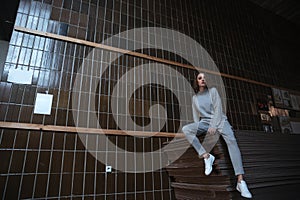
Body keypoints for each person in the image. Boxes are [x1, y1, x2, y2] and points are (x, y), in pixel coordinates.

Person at [182, 72, 252, 198]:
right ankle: (206, 156)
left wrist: (214, 125)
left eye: (204, 78)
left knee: (231, 141)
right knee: (186, 129)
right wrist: (199, 129)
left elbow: (218, 108)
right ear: (196, 82)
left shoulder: (213, 91)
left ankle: (240, 181)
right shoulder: (195, 98)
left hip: (220, 120)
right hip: (205, 122)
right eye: (199, 78)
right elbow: (195, 117)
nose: (202, 80)